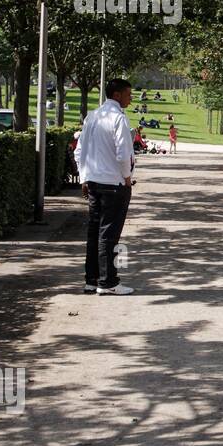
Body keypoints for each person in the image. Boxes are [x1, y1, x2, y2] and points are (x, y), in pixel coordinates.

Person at [75, 78, 136, 295]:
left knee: (94, 231)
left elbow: (79, 150)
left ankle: (91, 279)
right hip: (114, 182)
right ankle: (108, 281)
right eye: (128, 94)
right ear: (117, 95)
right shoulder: (118, 118)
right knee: (109, 233)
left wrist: (84, 177)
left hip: (93, 181)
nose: (131, 98)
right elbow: (123, 153)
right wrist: (127, 178)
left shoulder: (93, 116)